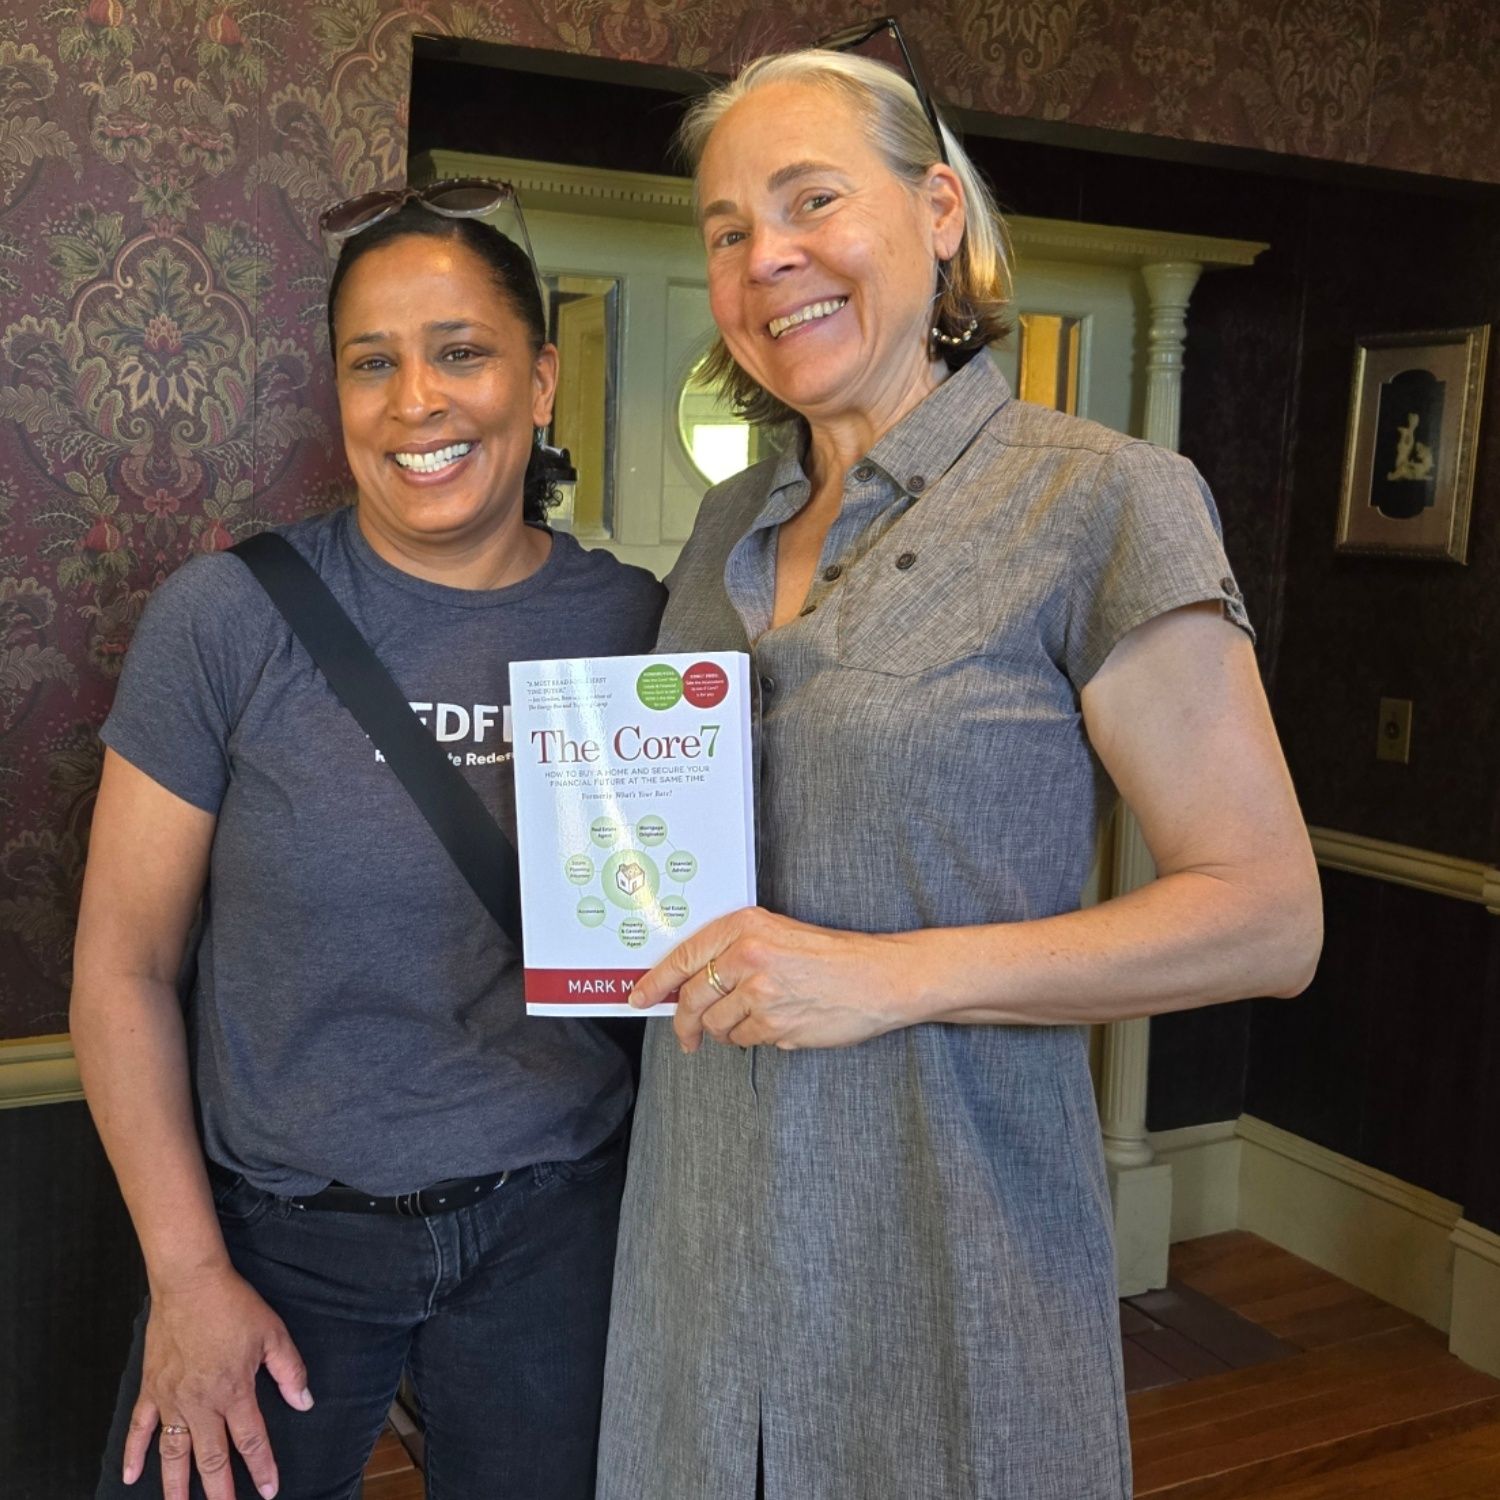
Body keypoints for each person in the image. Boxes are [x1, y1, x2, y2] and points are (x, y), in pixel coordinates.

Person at [597, 41, 1322, 1500]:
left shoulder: (1101, 498)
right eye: (727, 232)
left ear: (938, 212)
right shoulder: (724, 525)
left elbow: (1268, 918)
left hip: (948, 1257)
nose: (766, 258)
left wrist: (886, 976)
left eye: (812, 200)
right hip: (695, 1258)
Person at [73, 186, 665, 1500]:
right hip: (279, 1237)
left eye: (462, 352)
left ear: (540, 380)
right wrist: (187, 1275)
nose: (417, 402)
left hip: (559, 1229)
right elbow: (122, 967)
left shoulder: (638, 628)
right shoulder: (227, 618)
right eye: (373, 363)